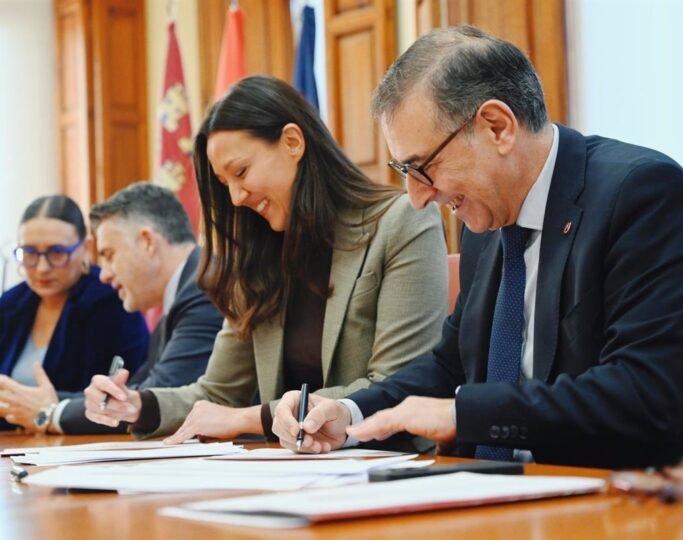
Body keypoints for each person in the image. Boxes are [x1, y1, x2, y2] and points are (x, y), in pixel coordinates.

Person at [271, 26, 683, 469]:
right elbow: (452, 367)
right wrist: (352, 412)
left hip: (628, 500)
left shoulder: (643, 196)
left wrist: (467, 414)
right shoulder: (485, 225)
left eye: (421, 167)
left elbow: (642, 394)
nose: (417, 196)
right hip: (500, 494)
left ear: (497, 127)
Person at [82, 75, 448, 445]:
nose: (237, 198)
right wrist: (137, 405)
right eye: (226, 185)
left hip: (384, 464)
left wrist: (251, 418)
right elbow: (220, 394)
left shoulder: (403, 221)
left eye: (241, 172)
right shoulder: (256, 254)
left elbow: (396, 382)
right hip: (288, 470)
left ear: (293, 142)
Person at [0, 182, 224, 434]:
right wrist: (40, 402)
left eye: (108, 254)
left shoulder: (204, 289)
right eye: (29, 253)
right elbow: (136, 390)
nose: (104, 275)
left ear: (148, 242)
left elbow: (155, 397)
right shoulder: (179, 301)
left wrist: (51, 411)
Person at [0, 195, 148, 431]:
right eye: (29, 253)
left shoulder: (112, 301)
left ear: (86, 248)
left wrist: (44, 408)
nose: (42, 267)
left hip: (83, 445)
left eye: (57, 252)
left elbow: (123, 397)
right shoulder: (9, 304)